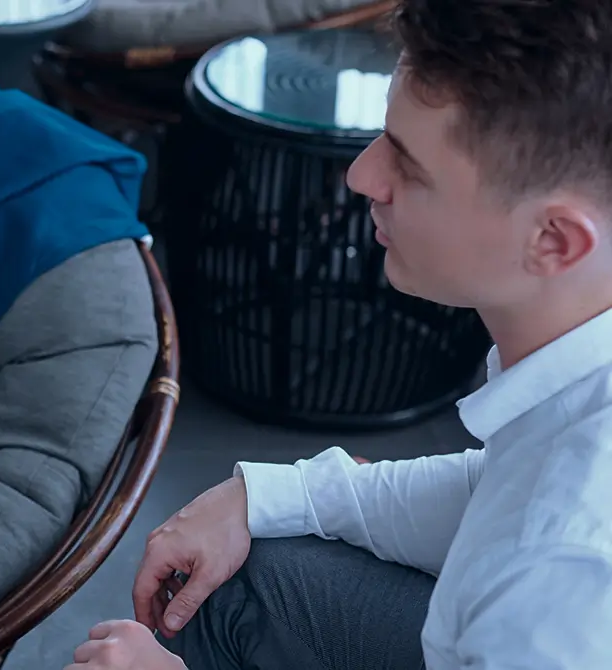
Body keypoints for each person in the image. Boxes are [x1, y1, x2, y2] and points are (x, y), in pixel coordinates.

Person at [69, 0, 612, 668]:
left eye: (408, 165)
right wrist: (268, 496)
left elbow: (537, 523)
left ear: (554, 241)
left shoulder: (564, 578)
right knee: (248, 572)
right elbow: (499, 489)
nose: (361, 175)